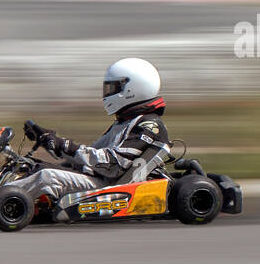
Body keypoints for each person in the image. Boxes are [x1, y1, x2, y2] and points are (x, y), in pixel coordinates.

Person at [13, 57, 171, 200]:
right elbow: (92, 154)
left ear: (131, 88)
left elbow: (113, 164)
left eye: (113, 88)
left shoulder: (149, 125)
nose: (108, 93)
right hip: (101, 178)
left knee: (46, 176)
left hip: (113, 186)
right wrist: (52, 142)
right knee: (32, 167)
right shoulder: (123, 123)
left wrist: (64, 146)